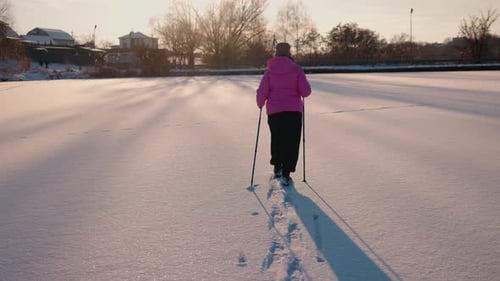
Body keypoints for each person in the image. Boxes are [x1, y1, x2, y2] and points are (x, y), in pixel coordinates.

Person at [256, 42, 311, 185]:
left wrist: (260, 102)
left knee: (277, 137)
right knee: (292, 141)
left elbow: (262, 90)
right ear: (289, 52)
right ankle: (287, 171)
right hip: (293, 111)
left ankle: (277, 165)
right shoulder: (297, 69)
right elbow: (306, 92)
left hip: (274, 111)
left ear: (276, 52)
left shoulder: (269, 71)